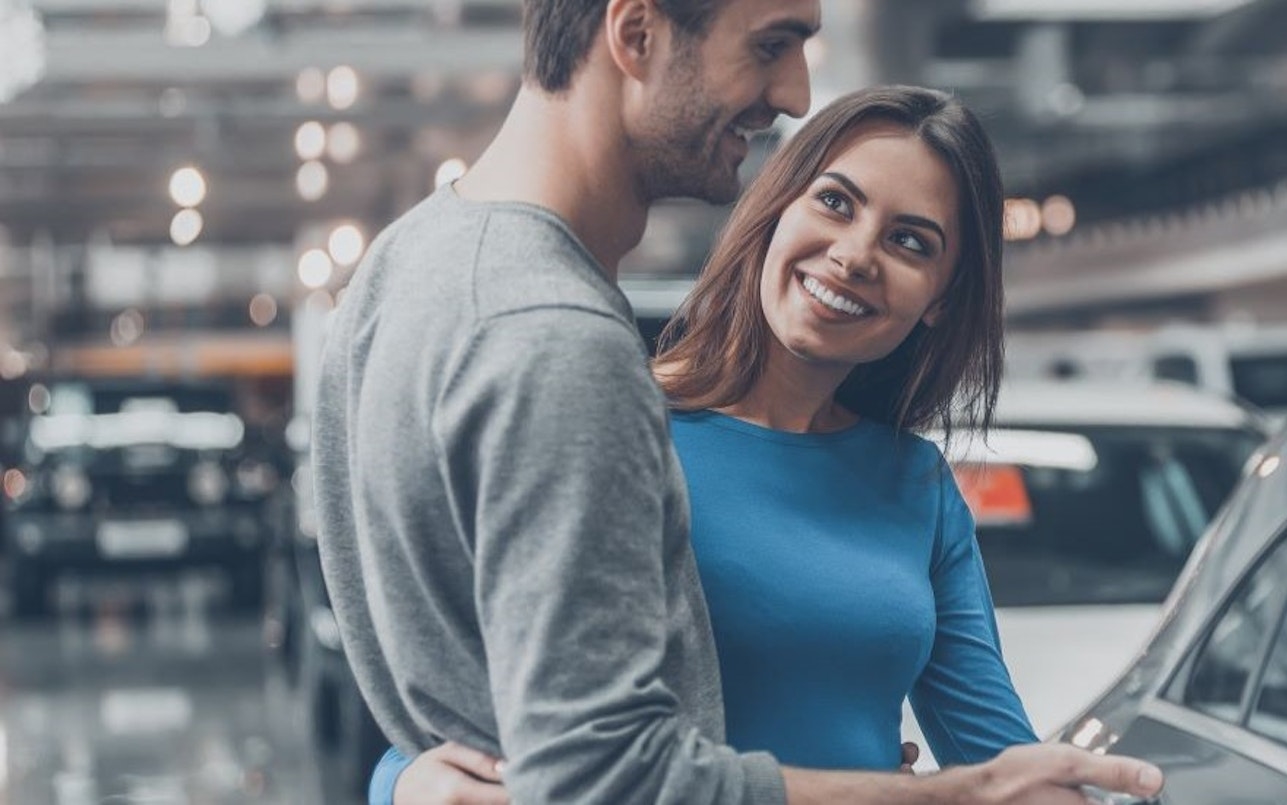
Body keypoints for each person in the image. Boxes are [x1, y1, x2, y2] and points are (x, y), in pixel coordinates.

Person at [311, 0, 1168, 802]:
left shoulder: (915, 486)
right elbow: (508, 724)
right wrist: (400, 782)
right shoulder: (618, 411)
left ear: (940, 296)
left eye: (911, 242)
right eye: (835, 202)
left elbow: (1001, 765)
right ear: (776, 209)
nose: (854, 255)